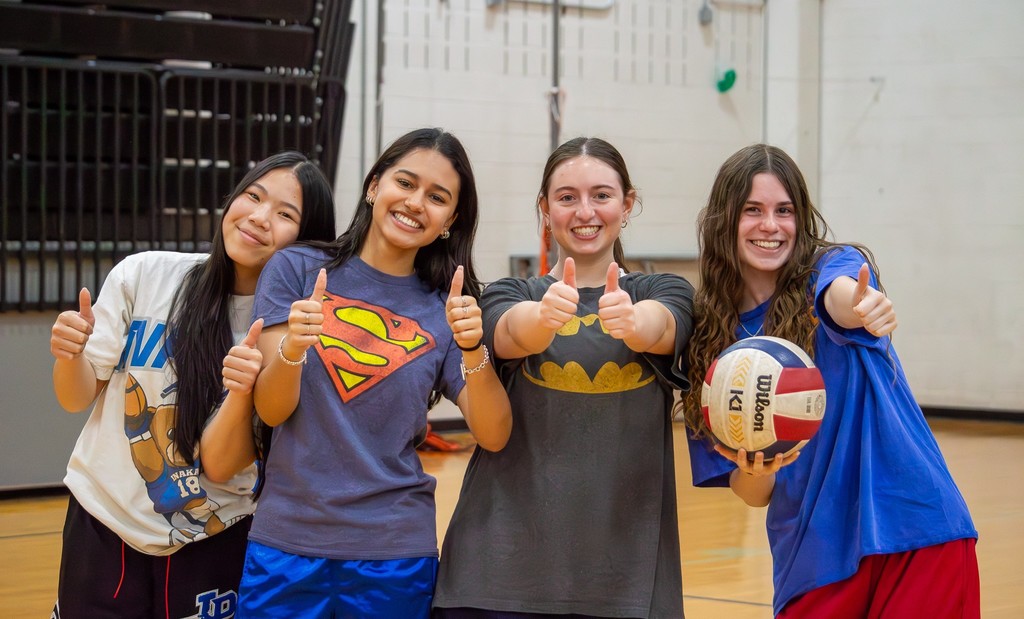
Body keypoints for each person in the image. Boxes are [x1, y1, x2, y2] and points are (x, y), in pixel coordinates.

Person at [211, 128, 511, 618]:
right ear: (374, 185)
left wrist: (473, 346)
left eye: (437, 198)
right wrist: (292, 348)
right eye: (406, 183)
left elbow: (494, 434)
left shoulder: (445, 308)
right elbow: (270, 408)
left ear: (450, 221)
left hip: (394, 553)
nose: (416, 203)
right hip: (286, 542)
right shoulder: (296, 268)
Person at [681, 144, 979, 617]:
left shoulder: (828, 270)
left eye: (785, 211)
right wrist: (758, 471)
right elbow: (750, 492)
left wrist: (863, 305)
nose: (770, 226)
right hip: (812, 557)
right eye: (752, 211)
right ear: (723, 221)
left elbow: (841, 297)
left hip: (914, 529)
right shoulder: (710, 345)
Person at [47, 151, 337, 618]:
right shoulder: (145, 274)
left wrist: (242, 390)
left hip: (214, 536)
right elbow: (74, 395)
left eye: (286, 214)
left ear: (307, 240)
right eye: (253, 196)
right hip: (102, 523)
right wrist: (70, 354)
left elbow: (224, 467)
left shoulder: (290, 332)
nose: (260, 218)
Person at [433, 137, 695, 618]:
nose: (585, 211)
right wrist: (543, 317)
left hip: (625, 585)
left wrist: (636, 324)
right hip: (495, 579)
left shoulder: (664, 290)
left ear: (627, 203)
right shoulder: (510, 293)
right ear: (545, 208)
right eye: (567, 197)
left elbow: (664, 324)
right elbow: (510, 333)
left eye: (601, 195)